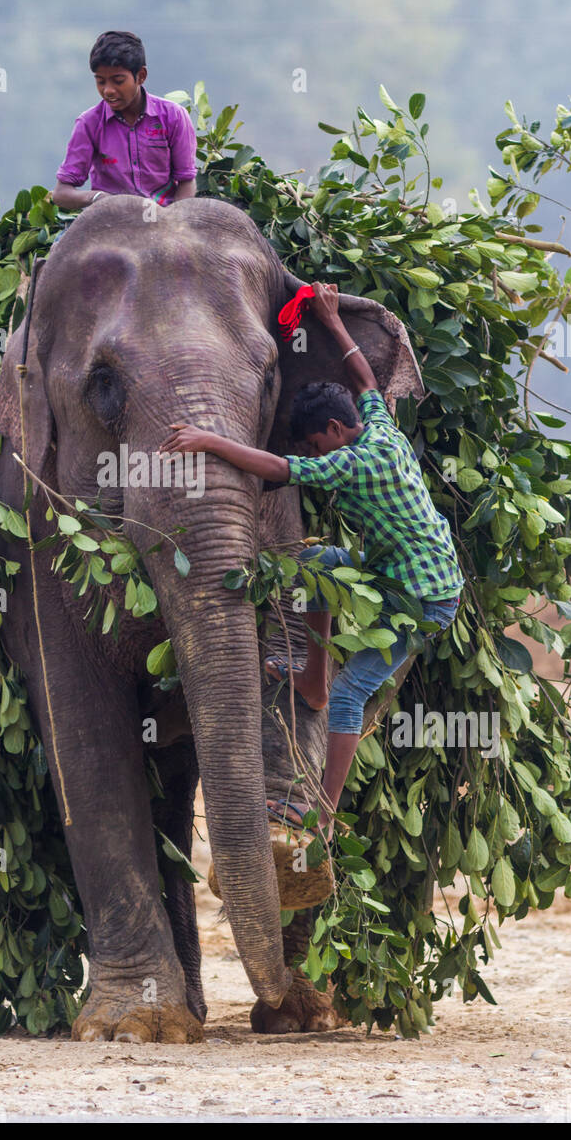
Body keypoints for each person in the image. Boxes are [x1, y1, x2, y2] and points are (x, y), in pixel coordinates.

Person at [158, 281, 464, 841]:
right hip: (394, 573)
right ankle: (311, 681)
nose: (316, 455)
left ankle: (324, 814)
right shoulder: (378, 427)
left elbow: (277, 469)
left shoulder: (354, 462)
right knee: (318, 560)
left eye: (317, 446)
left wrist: (208, 440)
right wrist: (329, 317)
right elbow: (365, 379)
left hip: (426, 597)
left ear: (332, 432)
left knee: (354, 694)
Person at [51, 30, 197, 212]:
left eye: (118, 81)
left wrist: (175, 223)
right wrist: (98, 198)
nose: (108, 91)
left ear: (141, 76)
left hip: (163, 218)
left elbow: (186, 181)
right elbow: (61, 193)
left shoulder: (174, 116)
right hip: (109, 222)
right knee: (60, 242)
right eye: (100, 82)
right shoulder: (88, 123)